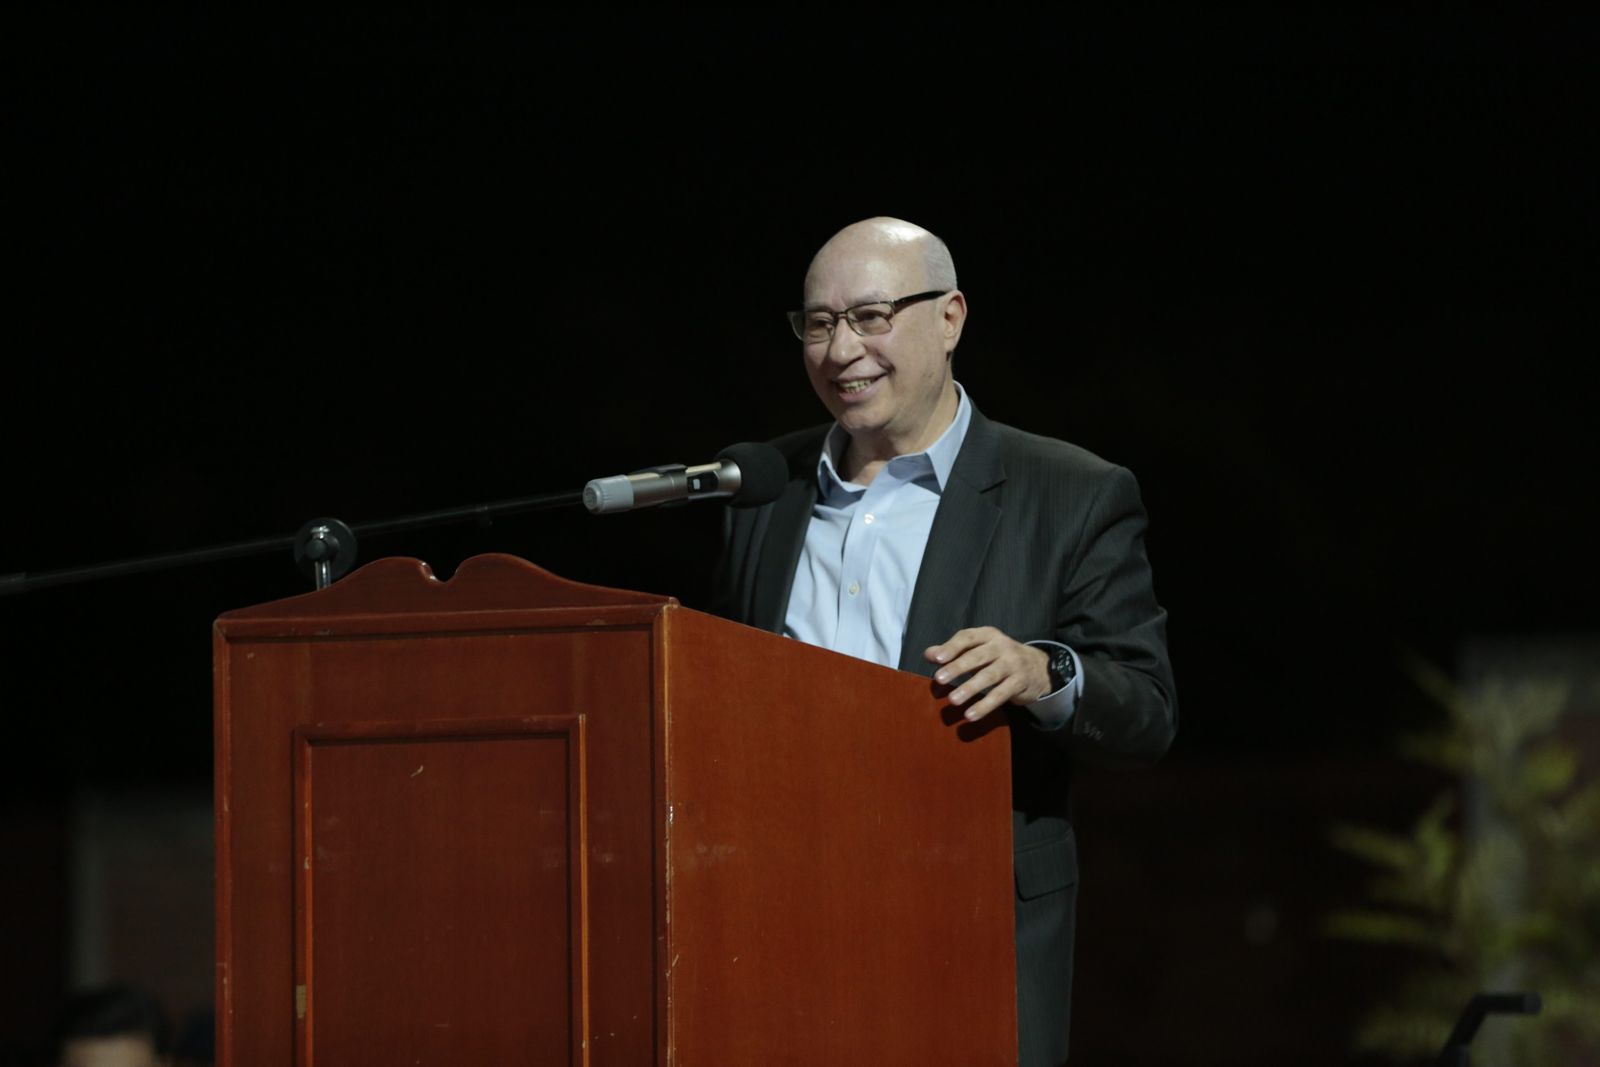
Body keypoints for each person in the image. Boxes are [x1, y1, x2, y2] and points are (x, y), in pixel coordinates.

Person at [710, 217, 1177, 1065]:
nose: (841, 348)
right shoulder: (761, 493)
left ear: (951, 317)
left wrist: (1043, 671)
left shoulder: (1071, 492)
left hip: (967, 928)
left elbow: (1146, 711)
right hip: (777, 926)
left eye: (871, 316)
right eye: (818, 324)